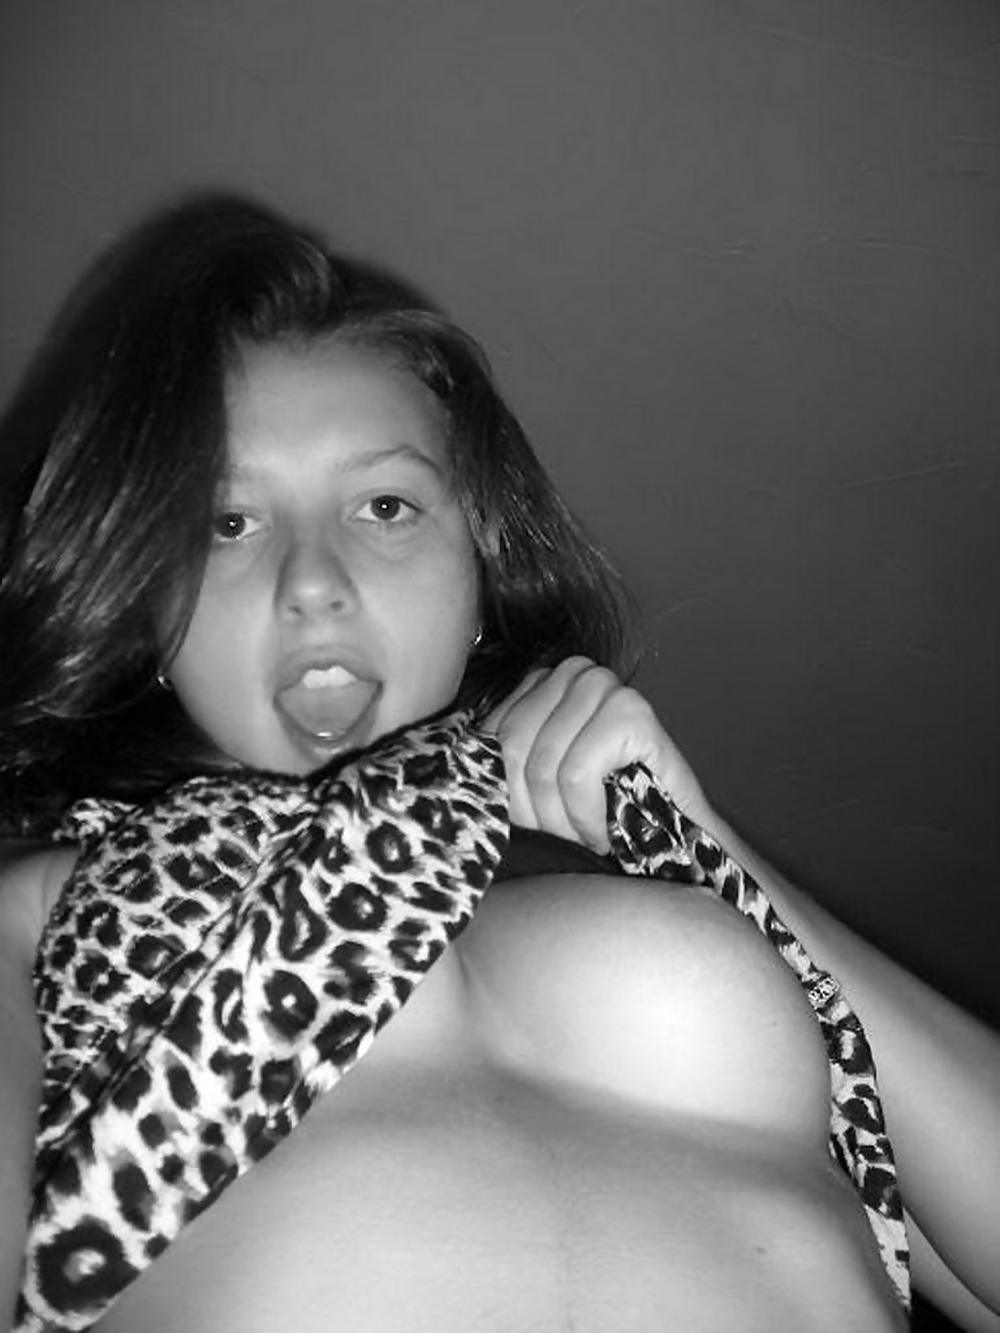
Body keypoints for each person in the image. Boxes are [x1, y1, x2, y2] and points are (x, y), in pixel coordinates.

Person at [0, 194, 996, 1333]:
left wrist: (709, 849)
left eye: (385, 505)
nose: (312, 581)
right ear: (145, 606)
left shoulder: (640, 881)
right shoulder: (39, 906)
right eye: (225, 523)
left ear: (480, 573)